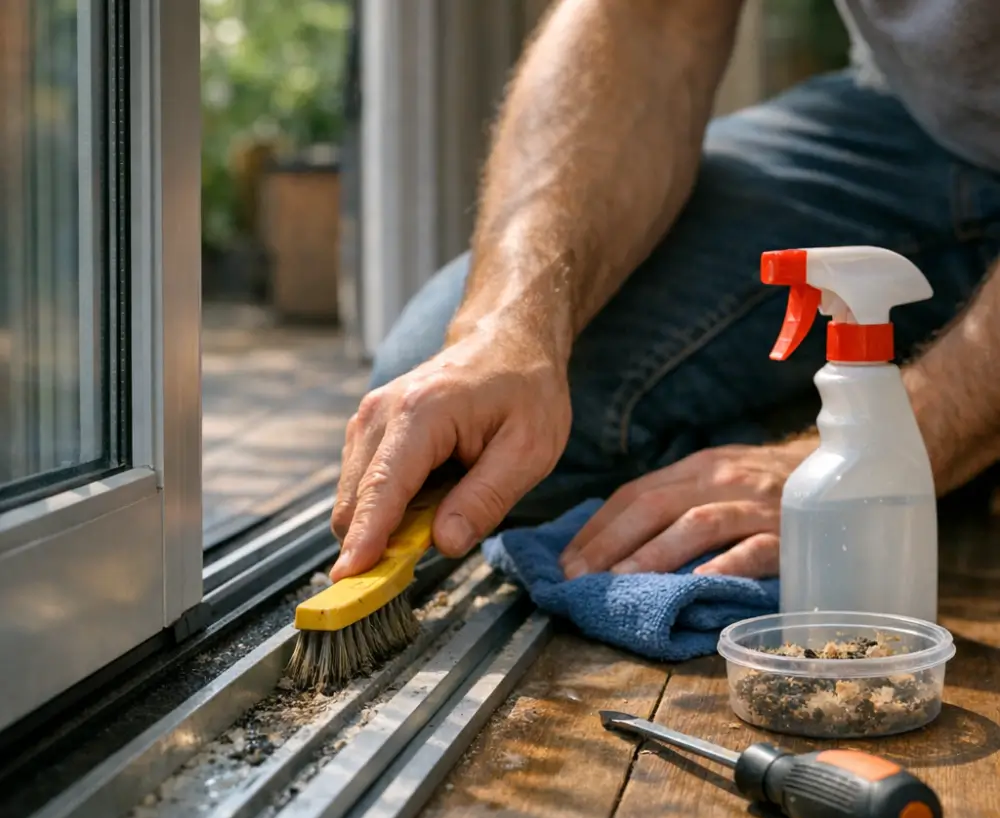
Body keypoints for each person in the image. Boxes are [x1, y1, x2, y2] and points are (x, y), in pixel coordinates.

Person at [331, 0, 1000, 586]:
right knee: (474, 436)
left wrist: (880, 454)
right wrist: (506, 328)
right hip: (921, 119)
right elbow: (647, 21)